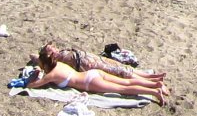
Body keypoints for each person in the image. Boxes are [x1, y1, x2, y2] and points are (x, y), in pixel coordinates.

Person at [29, 52, 168, 104]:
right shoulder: (59, 64)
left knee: (122, 88)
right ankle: (154, 82)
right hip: (93, 73)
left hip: (89, 82)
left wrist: (35, 74)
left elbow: (33, 85)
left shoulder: (51, 75)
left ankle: (154, 92)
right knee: (126, 81)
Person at [35, 43, 158, 80]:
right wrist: (42, 58)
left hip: (89, 57)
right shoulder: (53, 62)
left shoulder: (60, 53)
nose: (55, 49)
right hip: (86, 64)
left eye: (53, 47)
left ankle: (150, 76)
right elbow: (34, 57)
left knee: (118, 65)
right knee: (118, 71)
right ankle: (149, 81)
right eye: (51, 50)